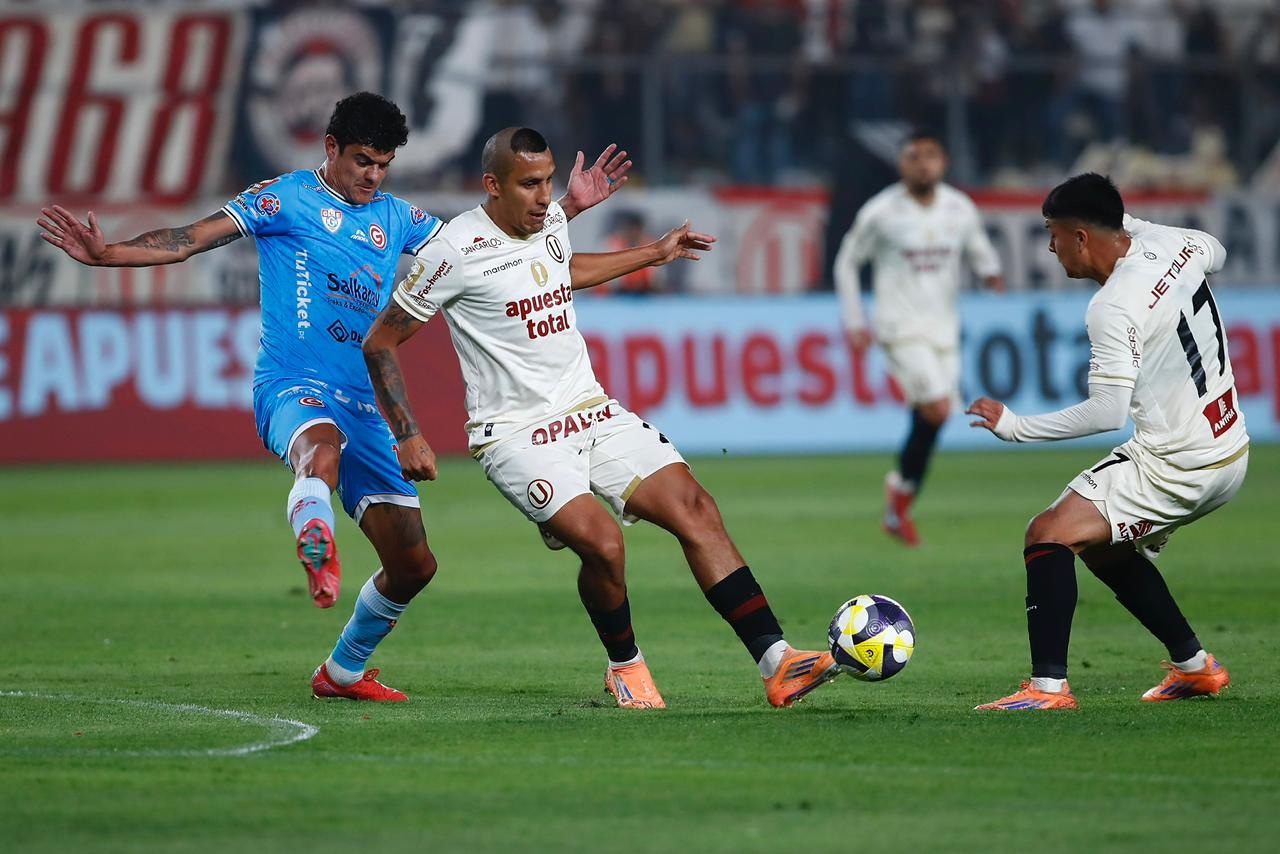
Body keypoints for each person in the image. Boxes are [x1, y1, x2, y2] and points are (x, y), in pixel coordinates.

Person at [36, 93, 630, 702]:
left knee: (413, 565)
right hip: (292, 384)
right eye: (363, 161)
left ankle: (341, 672)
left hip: (365, 400)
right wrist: (107, 254)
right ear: (331, 149)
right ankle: (315, 540)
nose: (373, 175)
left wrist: (563, 209)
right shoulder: (283, 198)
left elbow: (487, 247)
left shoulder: (397, 216)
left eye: (384, 164)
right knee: (319, 451)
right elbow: (190, 238)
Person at [361, 127, 841, 709]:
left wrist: (653, 252)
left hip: (589, 410)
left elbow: (561, 266)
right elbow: (381, 340)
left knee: (697, 509)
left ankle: (779, 661)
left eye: (549, 181)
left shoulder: (549, 222)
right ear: (492, 185)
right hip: (515, 435)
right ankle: (626, 667)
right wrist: (408, 434)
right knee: (606, 545)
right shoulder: (453, 251)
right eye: (530, 185)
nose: (545, 197)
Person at [967, 173, 1248, 711]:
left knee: (1047, 535)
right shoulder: (1179, 243)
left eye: (1052, 234)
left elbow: (1107, 412)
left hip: (1178, 461)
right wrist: (1132, 229)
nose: (1049, 247)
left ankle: (1047, 690)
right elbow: (1217, 250)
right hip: (1230, 448)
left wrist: (1016, 427)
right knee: (1101, 546)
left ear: (1079, 237)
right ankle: (1195, 668)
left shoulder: (1112, 306)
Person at [833, 129, 1004, 546]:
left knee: (935, 415)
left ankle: (900, 498)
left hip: (944, 329)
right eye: (914, 156)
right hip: (900, 328)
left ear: (942, 162)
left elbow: (979, 247)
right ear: (901, 164)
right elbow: (847, 261)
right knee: (937, 408)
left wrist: (990, 272)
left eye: (930, 155)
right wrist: (855, 320)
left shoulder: (959, 208)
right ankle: (900, 495)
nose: (922, 163)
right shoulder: (882, 212)